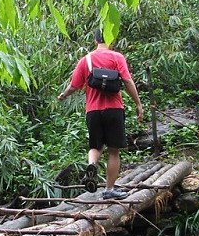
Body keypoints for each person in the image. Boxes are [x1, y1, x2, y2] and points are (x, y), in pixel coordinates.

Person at [57, 28, 144, 200]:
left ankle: (91, 165)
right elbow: (127, 81)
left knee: (95, 146)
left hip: (93, 111)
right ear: (111, 40)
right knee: (113, 151)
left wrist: (63, 95)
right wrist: (138, 103)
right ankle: (109, 189)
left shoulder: (86, 60)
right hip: (114, 109)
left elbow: (74, 86)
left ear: (96, 41)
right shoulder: (117, 57)